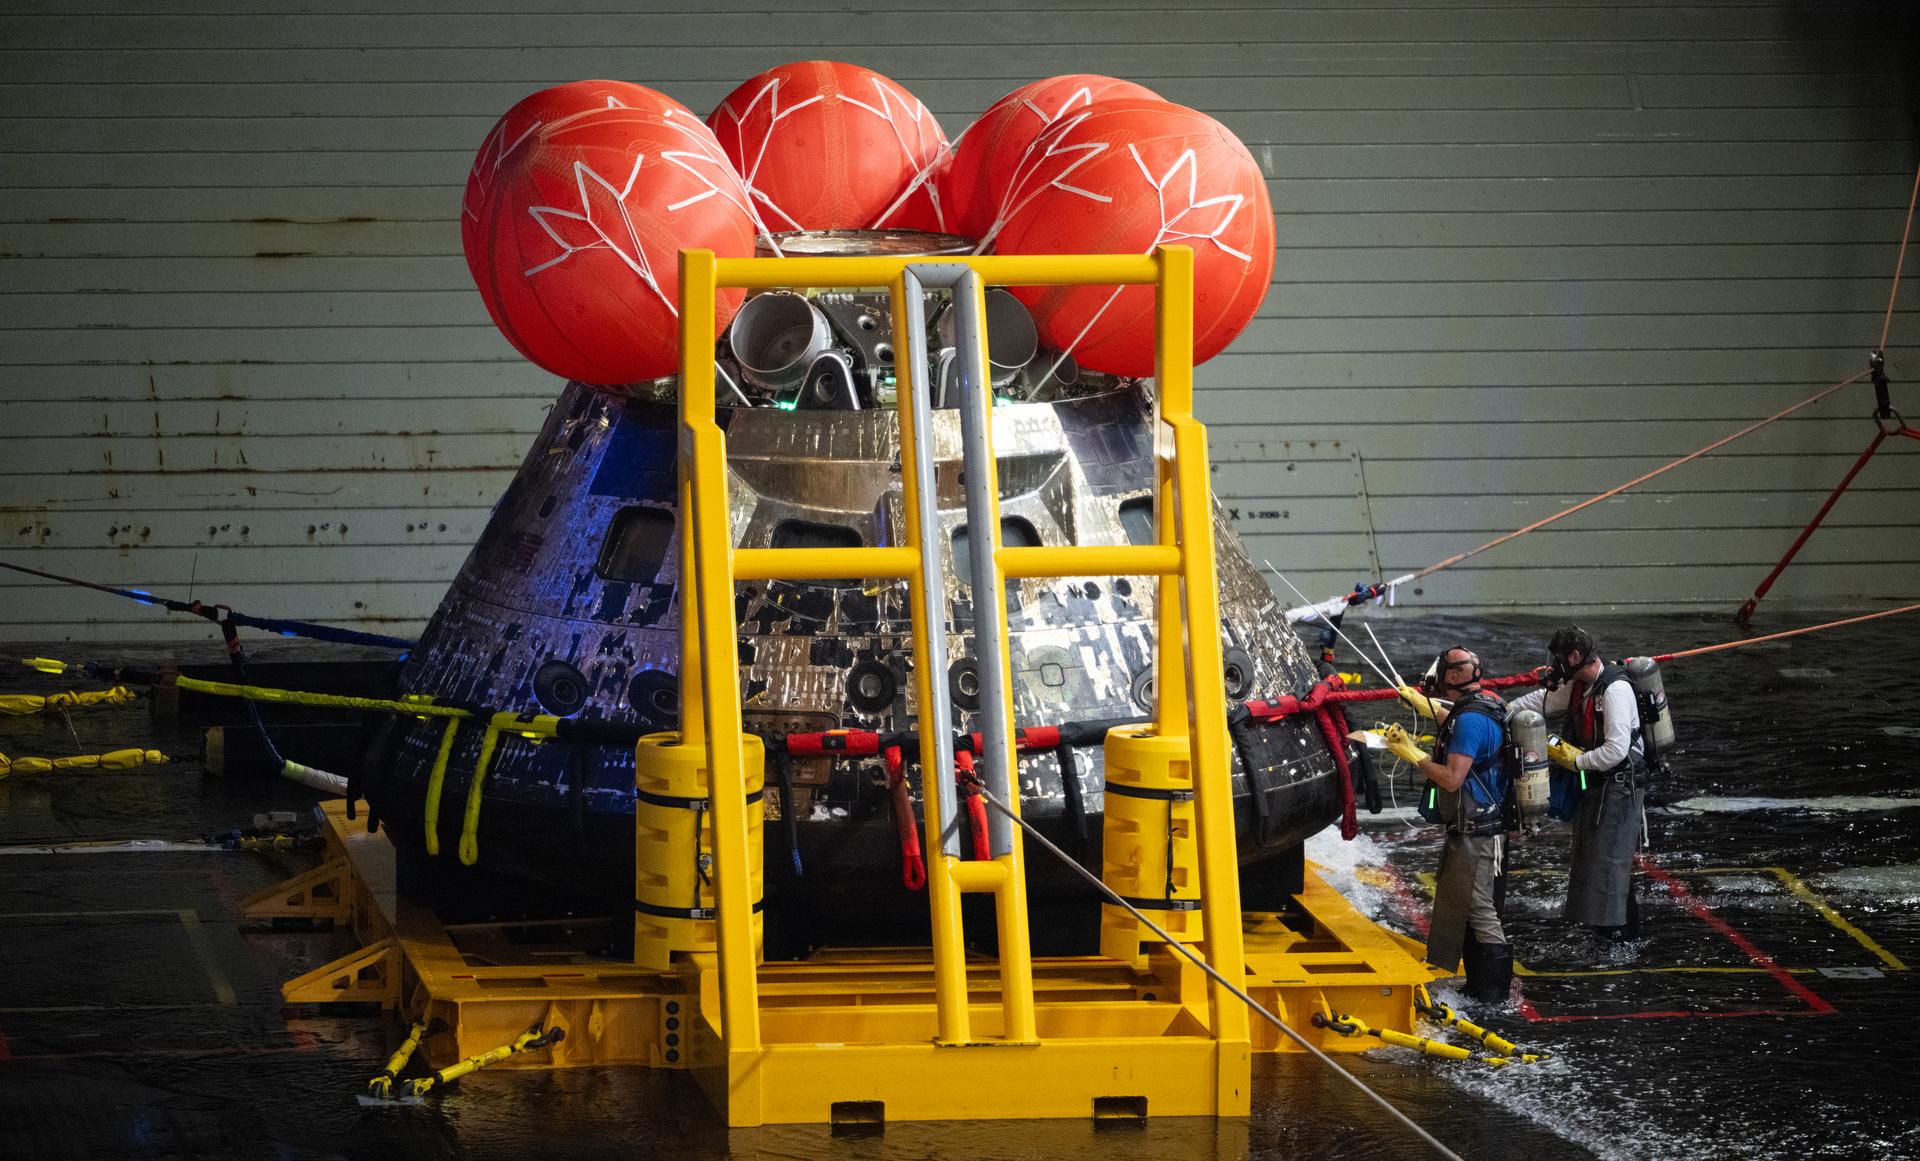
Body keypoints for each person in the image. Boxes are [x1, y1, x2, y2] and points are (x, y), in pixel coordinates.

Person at [1382, 646, 1513, 1004]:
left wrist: (1414, 754)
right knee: (1470, 906)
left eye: (1443, 670)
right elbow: (1455, 721)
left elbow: (1453, 779)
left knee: (1480, 908)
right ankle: (1478, 986)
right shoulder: (1486, 703)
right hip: (1482, 822)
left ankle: (1493, 995)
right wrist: (1419, 703)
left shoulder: (1469, 720)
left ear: (1454, 676)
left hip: (1478, 829)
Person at [1507, 625, 1646, 947]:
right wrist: (1505, 710)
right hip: (1597, 784)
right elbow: (1542, 701)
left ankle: (1619, 939)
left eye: (1558, 659)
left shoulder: (1615, 690)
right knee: (1596, 857)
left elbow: (1616, 750)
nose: (1554, 667)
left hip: (1619, 786)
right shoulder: (1580, 685)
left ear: (1574, 656)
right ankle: (1607, 930)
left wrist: (1577, 761)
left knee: (1610, 859)